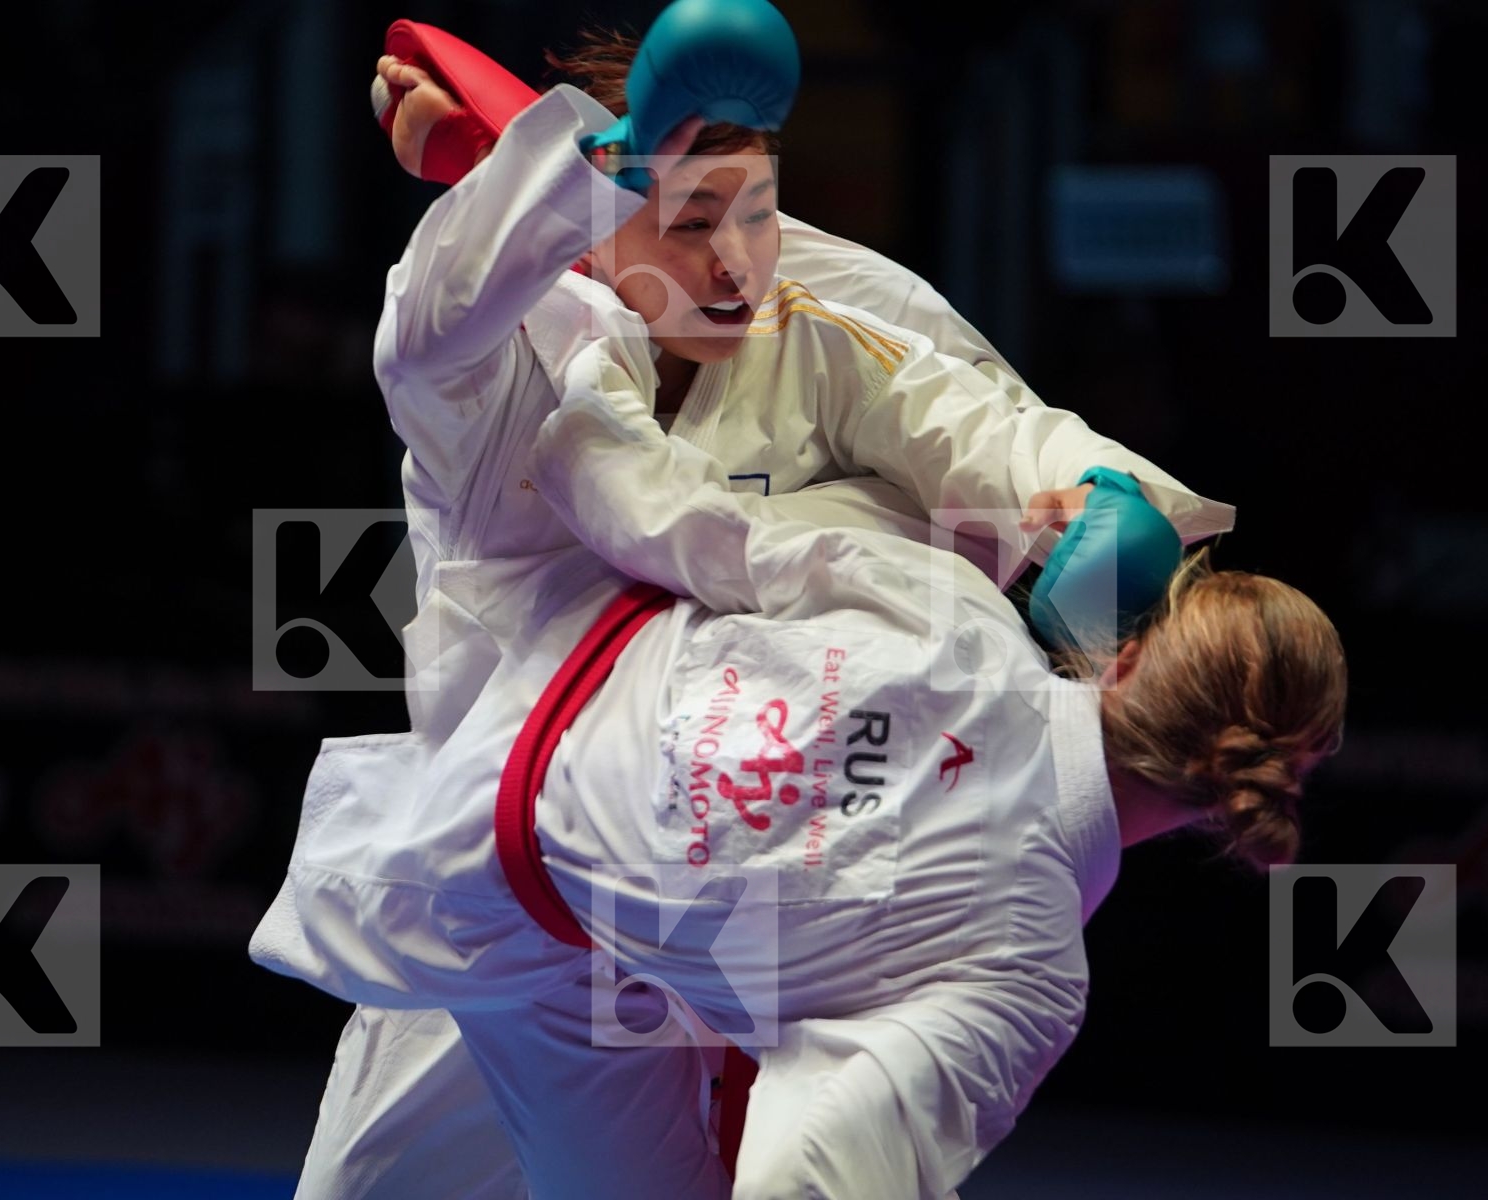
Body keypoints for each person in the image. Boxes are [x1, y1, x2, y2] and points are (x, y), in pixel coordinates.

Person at [286, 22, 1233, 1199]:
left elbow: (956, 408)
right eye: (691, 228)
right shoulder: (509, 361)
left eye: (762, 213)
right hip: (504, 868)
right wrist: (549, 161)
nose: (739, 264)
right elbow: (436, 331)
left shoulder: (807, 318)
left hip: (732, 878)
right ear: (597, 217)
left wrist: (1097, 492)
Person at [251, 341, 1348, 1198]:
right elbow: (802, 1173)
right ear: (1252, 790)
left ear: (1132, 653)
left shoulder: (957, 610)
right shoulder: (1028, 970)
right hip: (525, 924)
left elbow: (673, 516)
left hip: (511, 713)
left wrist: (595, 363)